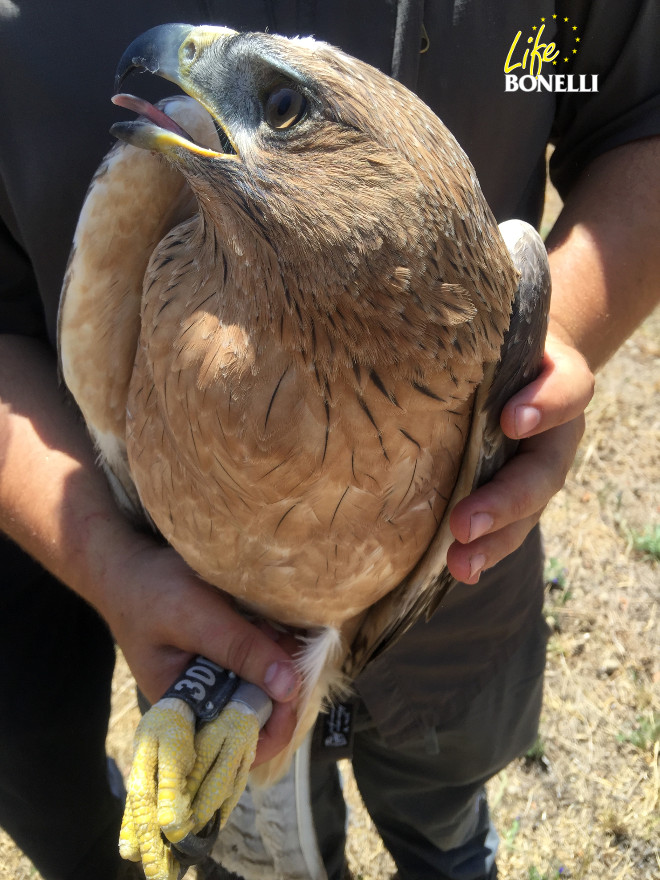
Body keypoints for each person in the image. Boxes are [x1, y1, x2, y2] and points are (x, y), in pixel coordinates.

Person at [0, 2, 658, 879]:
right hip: (188, 625)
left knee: (444, 815)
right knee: (260, 848)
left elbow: (635, 114)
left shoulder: (544, 30)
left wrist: (540, 340)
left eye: (278, 106)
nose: (186, 54)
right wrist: (107, 562)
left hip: (453, 633)